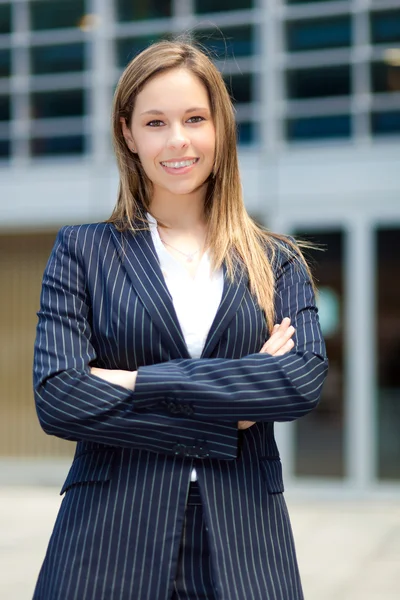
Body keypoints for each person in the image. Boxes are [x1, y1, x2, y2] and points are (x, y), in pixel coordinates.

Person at [32, 38, 328, 600]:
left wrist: (139, 381)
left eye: (195, 118)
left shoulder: (276, 259)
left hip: (244, 542)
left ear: (220, 127)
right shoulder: (82, 251)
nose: (178, 141)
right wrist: (230, 413)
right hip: (107, 540)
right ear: (128, 133)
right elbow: (59, 397)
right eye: (155, 122)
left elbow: (297, 383)